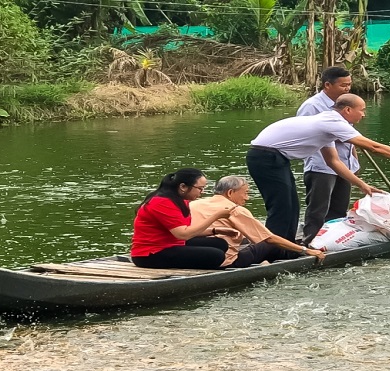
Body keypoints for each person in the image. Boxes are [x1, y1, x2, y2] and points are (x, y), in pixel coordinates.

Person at [246, 93, 390, 243]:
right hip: (265, 157)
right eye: (362, 110)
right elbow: (374, 147)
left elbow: (333, 162)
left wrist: (362, 185)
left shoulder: (326, 125)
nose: (364, 114)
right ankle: (273, 249)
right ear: (347, 110)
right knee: (282, 208)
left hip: (274, 158)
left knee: (291, 207)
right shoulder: (333, 122)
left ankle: (286, 248)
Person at [190, 176, 325, 268]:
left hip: (197, 256)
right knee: (271, 244)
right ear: (230, 192)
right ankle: (293, 258)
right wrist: (304, 250)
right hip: (226, 261)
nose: (247, 198)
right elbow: (269, 239)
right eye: (245, 193)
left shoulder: (194, 204)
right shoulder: (235, 209)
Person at [131, 168, 238, 269]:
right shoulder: (162, 202)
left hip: (170, 244)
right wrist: (216, 215)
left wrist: (215, 230)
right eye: (200, 188)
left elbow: (184, 229)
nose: (202, 192)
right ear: (183, 187)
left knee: (220, 244)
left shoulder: (179, 201)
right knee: (216, 255)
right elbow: (183, 234)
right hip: (150, 255)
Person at [298, 66, 358, 244]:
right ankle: (310, 242)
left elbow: (350, 136)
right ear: (327, 85)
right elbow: (303, 134)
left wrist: (354, 160)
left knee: (339, 208)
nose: (347, 89)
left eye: (349, 85)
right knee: (318, 208)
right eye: (343, 85)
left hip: (345, 164)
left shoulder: (345, 105)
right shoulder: (312, 106)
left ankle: (333, 241)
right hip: (321, 165)